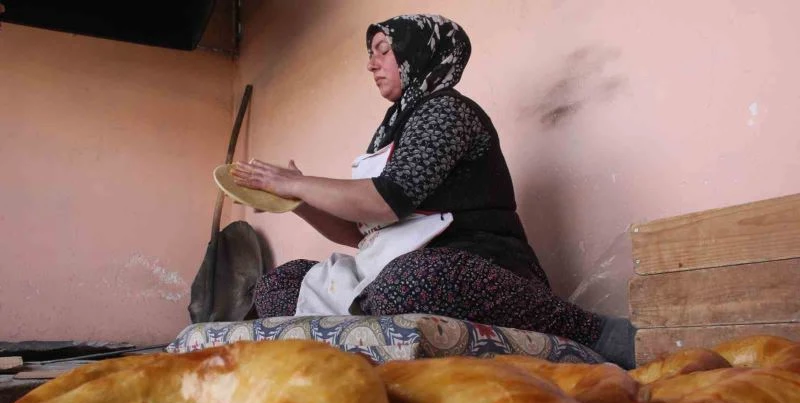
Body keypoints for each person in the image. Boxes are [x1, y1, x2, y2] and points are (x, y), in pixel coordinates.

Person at [231, 14, 635, 368]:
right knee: (278, 286)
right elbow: (359, 232)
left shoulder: (447, 111)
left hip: (471, 264)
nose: (371, 63)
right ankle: (368, 326)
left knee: (404, 284)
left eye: (383, 49)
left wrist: (296, 182)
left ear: (418, 52)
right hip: (387, 269)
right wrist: (296, 200)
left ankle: (591, 331)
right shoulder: (390, 129)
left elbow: (388, 201)